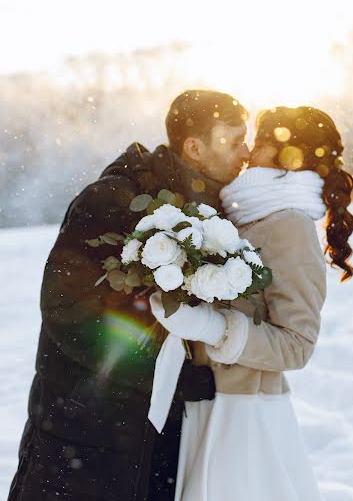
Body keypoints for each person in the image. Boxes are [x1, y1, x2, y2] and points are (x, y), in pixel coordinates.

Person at [7, 90, 250, 501]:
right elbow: (68, 309)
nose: (246, 151)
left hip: (153, 435)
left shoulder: (211, 212)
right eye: (235, 139)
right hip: (81, 431)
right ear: (194, 146)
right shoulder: (113, 200)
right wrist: (161, 376)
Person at [150, 105, 353, 500]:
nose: (247, 153)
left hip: (245, 415)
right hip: (204, 405)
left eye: (259, 143)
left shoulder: (290, 225)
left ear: (288, 157)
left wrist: (213, 328)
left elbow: (297, 345)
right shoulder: (245, 214)